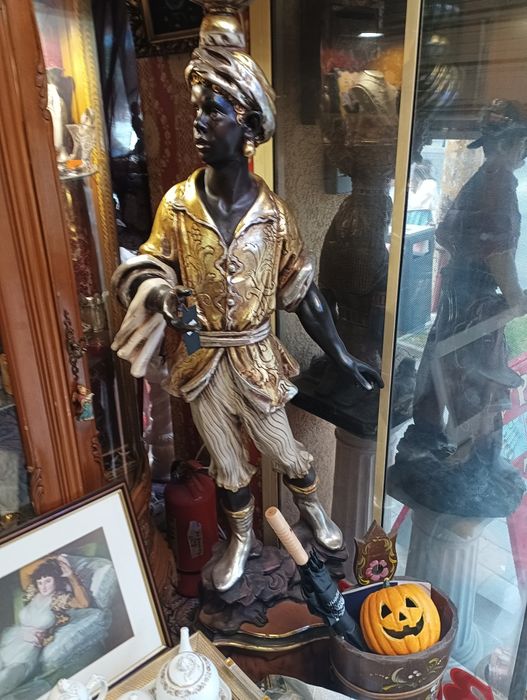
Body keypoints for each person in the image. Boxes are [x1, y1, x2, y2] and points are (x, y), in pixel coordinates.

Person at [111, 1, 382, 592]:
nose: (199, 122)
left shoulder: (275, 216)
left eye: (215, 110)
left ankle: (313, 510)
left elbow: (303, 296)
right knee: (227, 463)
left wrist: (342, 357)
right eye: (196, 108)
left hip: (257, 358)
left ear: (250, 124)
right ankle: (238, 539)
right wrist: (161, 295)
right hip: (202, 360)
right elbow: (148, 264)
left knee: (285, 450)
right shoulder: (177, 206)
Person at [392, 99, 527, 517]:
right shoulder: (498, 185)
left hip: (460, 298)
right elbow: (497, 251)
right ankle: (472, 467)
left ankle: (438, 446)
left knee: (443, 370)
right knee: (478, 385)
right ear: (512, 143)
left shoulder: (483, 179)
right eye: (521, 144)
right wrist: (516, 298)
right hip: (476, 303)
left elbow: (450, 236)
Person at [0, 555, 90, 695]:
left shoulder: (58, 598)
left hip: (28, 650)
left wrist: (70, 575)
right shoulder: (33, 592)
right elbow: (24, 571)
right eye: (40, 582)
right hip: (12, 642)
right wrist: (53, 559)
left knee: (5, 680)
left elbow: (83, 603)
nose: (43, 586)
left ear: (56, 580)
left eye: (48, 581)